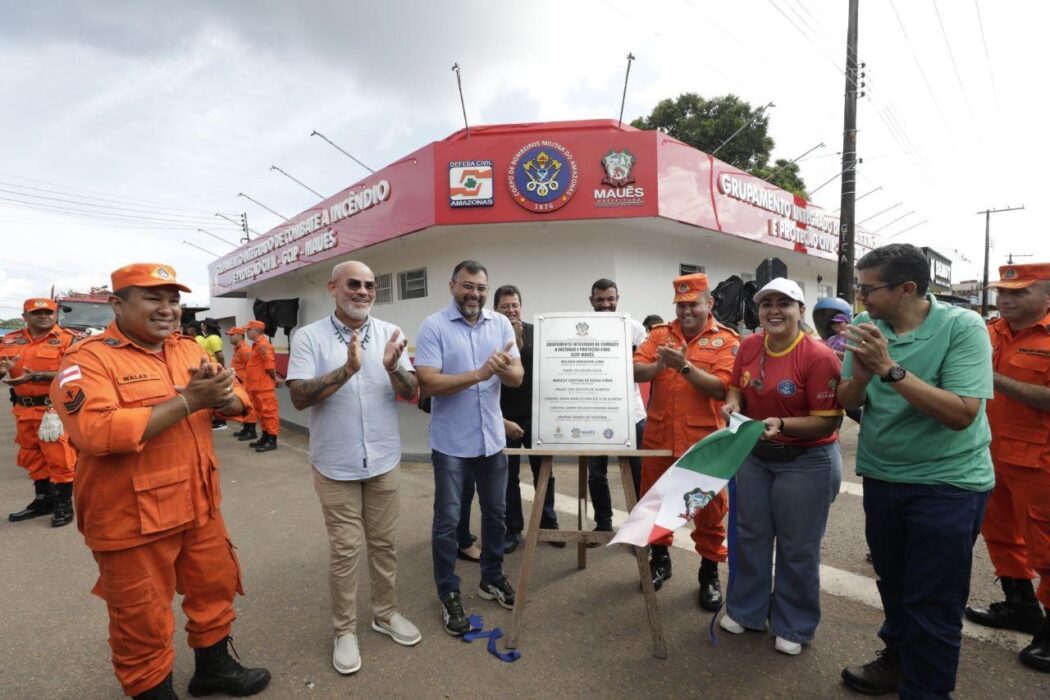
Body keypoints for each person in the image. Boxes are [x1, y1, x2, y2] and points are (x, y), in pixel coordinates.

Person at [50, 263, 268, 700]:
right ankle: (151, 691)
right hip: (130, 519)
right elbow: (96, 432)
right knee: (141, 618)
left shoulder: (188, 350)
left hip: (199, 504)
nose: (167, 310)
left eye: (173, 300)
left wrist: (223, 398)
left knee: (214, 589)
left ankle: (213, 669)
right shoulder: (88, 361)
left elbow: (241, 398)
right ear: (117, 304)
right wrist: (188, 401)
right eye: (153, 298)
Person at [836, 244, 994, 698]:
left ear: (907, 288)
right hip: (884, 478)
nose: (860, 297)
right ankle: (898, 660)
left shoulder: (963, 327)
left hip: (948, 485)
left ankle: (926, 691)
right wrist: (864, 377)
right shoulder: (867, 327)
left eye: (868, 289)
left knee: (935, 602)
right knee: (896, 585)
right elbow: (849, 401)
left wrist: (889, 369)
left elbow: (962, 413)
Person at [286, 260, 422, 675]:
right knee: (345, 552)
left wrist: (394, 367)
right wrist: (347, 370)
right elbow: (298, 398)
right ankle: (344, 631)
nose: (363, 292)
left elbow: (413, 391)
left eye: (370, 286)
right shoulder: (307, 337)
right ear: (333, 287)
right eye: (354, 284)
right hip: (335, 464)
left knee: (384, 545)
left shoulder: (390, 334)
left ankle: (385, 614)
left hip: (382, 460)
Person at [718, 278, 844, 656]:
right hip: (755, 455)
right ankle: (747, 610)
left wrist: (783, 425)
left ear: (800, 311)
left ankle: (794, 624)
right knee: (750, 535)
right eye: (766, 303)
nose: (774, 310)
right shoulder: (750, 345)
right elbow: (737, 386)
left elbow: (829, 421)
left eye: (784, 303)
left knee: (797, 546)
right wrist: (733, 403)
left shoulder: (819, 356)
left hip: (805, 461)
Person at [414, 260, 523, 636]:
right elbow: (427, 382)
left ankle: (490, 577)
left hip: (491, 440)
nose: (474, 294)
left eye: (480, 287)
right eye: (467, 286)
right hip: (451, 445)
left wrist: (503, 369)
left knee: (496, 515)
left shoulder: (501, 324)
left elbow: (516, 377)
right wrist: (480, 372)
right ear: (452, 286)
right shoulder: (434, 327)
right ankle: (448, 592)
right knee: (447, 521)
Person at [633, 273, 738, 608]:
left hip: (703, 443)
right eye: (680, 305)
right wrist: (657, 366)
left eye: (693, 304)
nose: (686, 311)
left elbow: (721, 388)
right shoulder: (659, 334)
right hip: (660, 438)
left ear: (710, 303)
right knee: (656, 503)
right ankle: (660, 560)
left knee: (708, 511)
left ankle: (709, 572)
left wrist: (684, 367)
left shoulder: (727, 341)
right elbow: (634, 369)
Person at [964, 262, 1050, 673]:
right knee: (999, 534)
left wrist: (991, 377)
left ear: (1047, 296)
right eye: (1003, 292)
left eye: (1019, 293)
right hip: (988, 452)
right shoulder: (990, 331)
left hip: (1040, 461)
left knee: (1047, 547)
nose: (1006, 300)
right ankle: (1020, 605)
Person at [492, 284, 562, 553]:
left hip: (536, 416)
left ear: (521, 306)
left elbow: (547, 369)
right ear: (495, 309)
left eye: (514, 305)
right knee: (507, 478)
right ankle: (513, 529)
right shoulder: (491, 334)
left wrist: (521, 342)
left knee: (544, 473)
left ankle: (548, 525)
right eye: (504, 306)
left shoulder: (537, 331)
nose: (511, 310)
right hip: (504, 418)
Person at [0, 298, 80, 527]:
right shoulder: (10, 339)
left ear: (56, 315)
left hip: (53, 409)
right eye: (36, 313)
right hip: (23, 409)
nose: (43, 316)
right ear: (25, 316)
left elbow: (76, 375)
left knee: (60, 458)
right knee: (31, 455)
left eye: (48, 312)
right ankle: (43, 500)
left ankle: (64, 506)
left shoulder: (69, 340)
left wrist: (37, 376)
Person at [586, 278, 647, 542]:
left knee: (638, 474)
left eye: (610, 299)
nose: (605, 304)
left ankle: (638, 530)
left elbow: (646, 368)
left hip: (632, 414)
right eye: (600, 300)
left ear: (618, 298)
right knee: (596, 473)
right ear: (592, 302)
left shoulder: (635, 329)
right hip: (595, 412)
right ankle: (603, 525)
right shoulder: (581, 329)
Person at [244, 319, 279, 452]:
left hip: (264, 387)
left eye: (249, 329)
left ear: (257, 331)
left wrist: (275, 379)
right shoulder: (257, 345)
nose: (246, 332)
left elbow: (269, 366)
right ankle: (265, 436)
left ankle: (271, 440)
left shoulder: (263, 346)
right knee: (261, 414)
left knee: (269, 413)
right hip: (256, 387)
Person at [225, 326, 258, 442]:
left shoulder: (245, 350)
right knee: (244, 407)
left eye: (232, 335)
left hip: (247, 384)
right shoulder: (238, 349)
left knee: (250, 407)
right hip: (240, 383)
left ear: (239, 335)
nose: (229, 337)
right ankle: (246, 428)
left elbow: (252, 367)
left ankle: (251, 431)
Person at [199, 320, 227, 431]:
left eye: (203, 325)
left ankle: (221, 421)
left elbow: (219, 355)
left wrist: (221, 368)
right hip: (210, 369)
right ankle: (217, 419)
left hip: (215, 369)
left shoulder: (213, 338)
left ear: (207, 326)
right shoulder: (208, 338)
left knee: (217, 395)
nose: (202, 328)